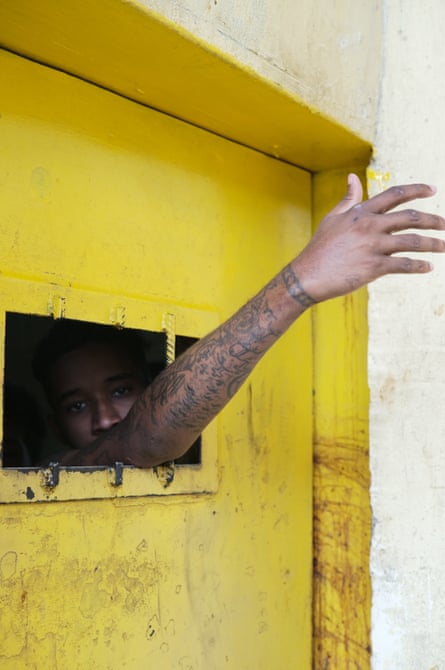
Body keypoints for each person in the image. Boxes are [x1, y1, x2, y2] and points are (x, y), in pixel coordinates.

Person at [31, 175, 445, 467]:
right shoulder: (59, 468)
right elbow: (141, 440)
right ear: (54, 423)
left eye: (121, 389)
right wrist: (297, 285)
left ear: (155, 380)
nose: (105, 418)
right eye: (78, 405)